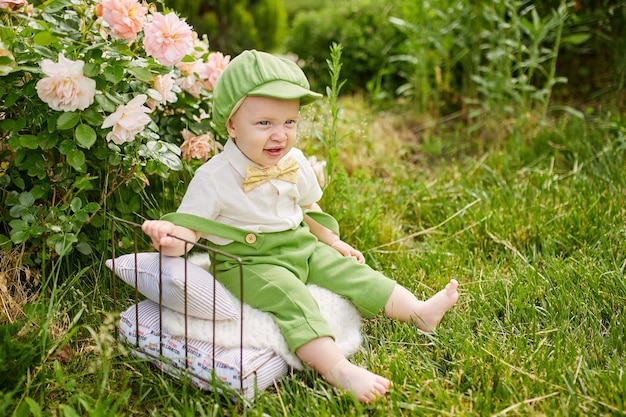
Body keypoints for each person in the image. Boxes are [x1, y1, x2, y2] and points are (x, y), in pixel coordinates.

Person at [142, 50, 459, 403]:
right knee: (292, 297)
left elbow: (309, 207)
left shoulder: (294, 161)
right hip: (248, 261)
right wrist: (167, 239)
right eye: (264, 123)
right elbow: (190, 230)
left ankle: (418, 311)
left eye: (289, 122)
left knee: (353, 272)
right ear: (231, 125)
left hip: (299, 244)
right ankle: (337, 367)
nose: (280, 135)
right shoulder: (213, 177)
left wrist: (332, 241)